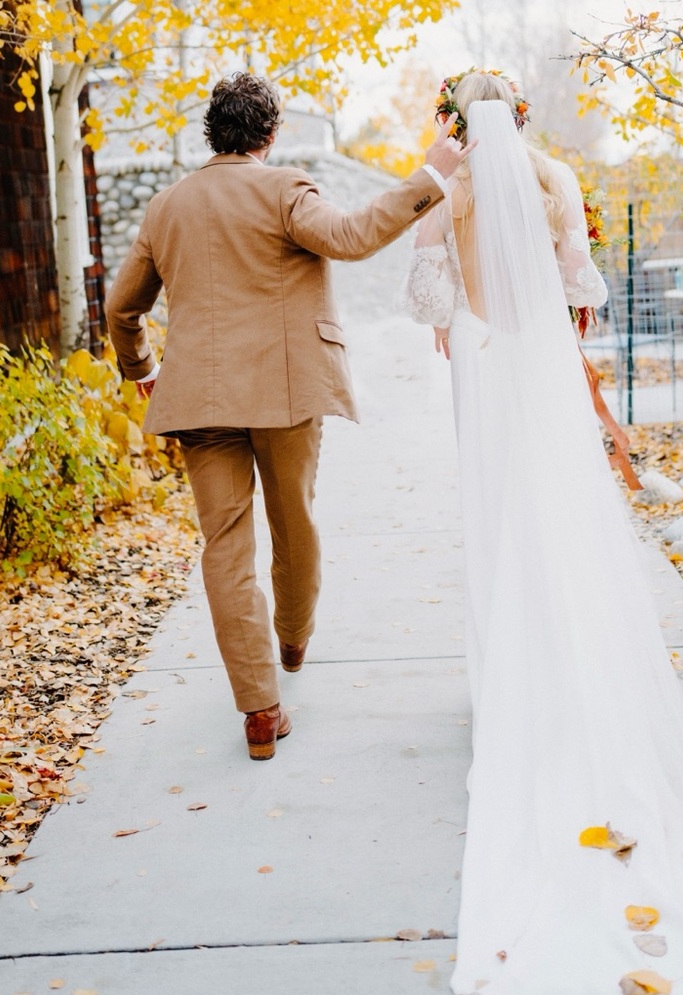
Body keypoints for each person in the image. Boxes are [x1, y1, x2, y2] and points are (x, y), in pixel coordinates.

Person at [402, 69, 683, 995]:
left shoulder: (451, 187)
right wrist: (552, 305)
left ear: (456, 121)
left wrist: (454, 244)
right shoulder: (555, 181)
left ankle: (503, 677)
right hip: (542, 365)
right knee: (561, 515)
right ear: (524, 117)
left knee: (500, 520)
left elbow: (428, 301)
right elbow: (586, 284)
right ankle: (574, 661)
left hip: (484, 365)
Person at [106, 72, 473, 762]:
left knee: (225, 546)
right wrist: (432, 172)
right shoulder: (285, 189)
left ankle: (259, 709)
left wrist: (143, 371)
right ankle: (293, 639)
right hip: (285, 391)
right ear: (270, 136)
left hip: (201, 403)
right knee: (293, 521)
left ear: (212, 134)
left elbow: (122, 311)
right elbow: (355, 236)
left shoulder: (166, 207)